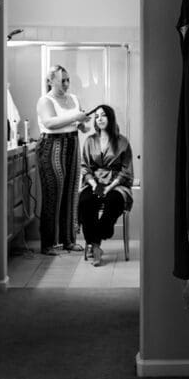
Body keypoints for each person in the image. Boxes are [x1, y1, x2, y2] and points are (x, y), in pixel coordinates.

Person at [36, 65, 89, 255]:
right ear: (50, 81)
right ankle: (48, 244)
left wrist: (82, 125)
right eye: (62, 80)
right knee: (53, 195)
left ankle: (68, 240)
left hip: (72, 144)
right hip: (51, 147)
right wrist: (75, 116)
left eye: (68, 80)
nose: (66, 84)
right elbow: (49, 122)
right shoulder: (45, 100)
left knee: (71, 193)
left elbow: (77, 124)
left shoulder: (74, 99)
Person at [78, 104, 134, 266]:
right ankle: (95, 245)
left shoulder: (122, 142)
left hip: (117, 184)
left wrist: (109, 187)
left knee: (113, 201)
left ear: (110, 117)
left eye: (103, 115)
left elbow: (126, 170)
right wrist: (95, 184)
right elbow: (85, 167)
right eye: (97, 116)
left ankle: (95, 243)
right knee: (85, 201)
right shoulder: (90, 141)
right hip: (94, 182)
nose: (100, 119)